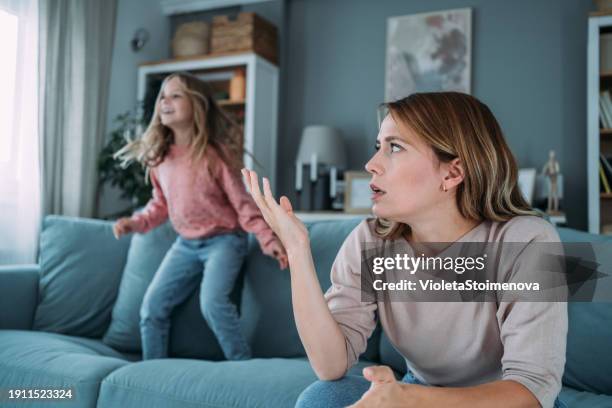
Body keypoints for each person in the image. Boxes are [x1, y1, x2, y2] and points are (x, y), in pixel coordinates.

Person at [242, 92, 567, 408]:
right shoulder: (371, 241)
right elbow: (329, 366)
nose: (371, 164)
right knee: (322, 399)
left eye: (394, 147)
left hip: (500, 400)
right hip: (418, 390)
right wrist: (298, 250)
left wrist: (409, 400)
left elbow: (531, 391)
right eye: (377, 147)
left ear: (452, 172)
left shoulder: (528, 241)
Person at [112, 72, 288, 361]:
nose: (166, 101)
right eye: (163, 97)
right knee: (151, 309)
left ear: (197, 105)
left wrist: (269, 240)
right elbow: (160, 204)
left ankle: (242, 365)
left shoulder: (215, 155)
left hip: (225, 241)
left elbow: (244, 206)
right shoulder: (160, 159)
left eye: (176, 95)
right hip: (185, 244)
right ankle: (152, 373)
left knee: (213, 303)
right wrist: (136, 222)